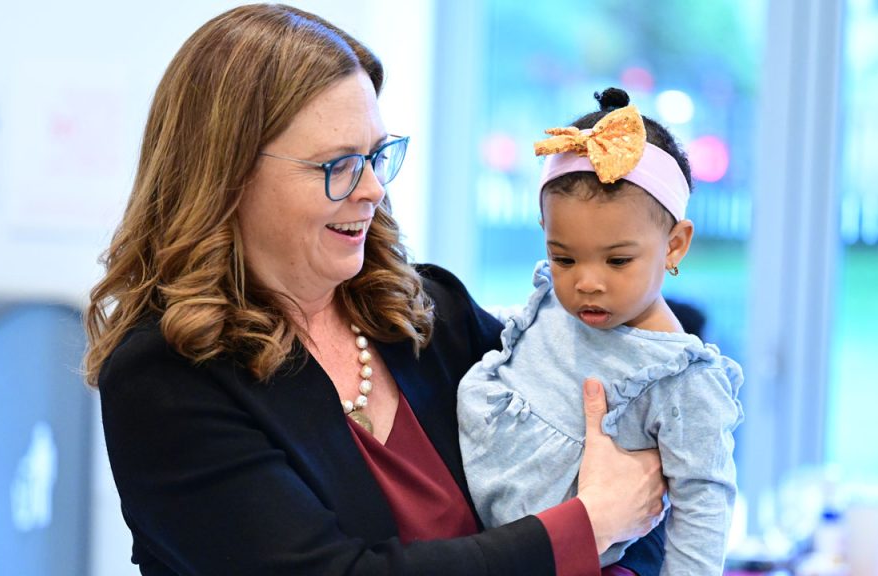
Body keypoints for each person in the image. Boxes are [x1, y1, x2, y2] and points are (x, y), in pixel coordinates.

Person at [84, 5, 669, 575]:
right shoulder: (165, 375)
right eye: (337, 164)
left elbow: (634, 458)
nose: (371, 189)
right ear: (229, 175)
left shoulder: (431, 313)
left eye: (374, 156)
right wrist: (586, 528)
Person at [458, 88, 744, 575]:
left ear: (674, 246)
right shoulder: (552, 302)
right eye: (563, 257)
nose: (587, 282)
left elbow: (703, 505)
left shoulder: (680, 379)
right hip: (479, 545)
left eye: (618, 260)